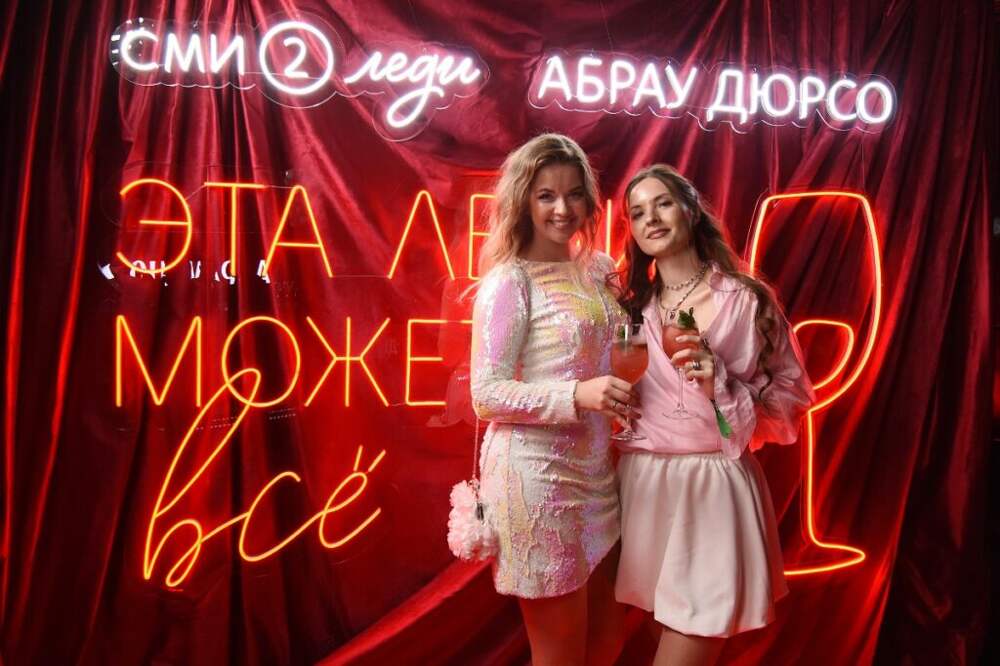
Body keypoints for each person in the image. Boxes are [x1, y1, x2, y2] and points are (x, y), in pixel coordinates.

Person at [613, 164, 816, 666]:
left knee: (692, 634)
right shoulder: (632, 310)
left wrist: (720, 384)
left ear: (691, 210)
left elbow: (790, 400)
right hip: (643, 484)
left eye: (662, 203)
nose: (650, 218)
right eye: (637, 212)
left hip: (712, 488)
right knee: (661, 629)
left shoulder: (745, 301)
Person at [470, 133, 635, 665]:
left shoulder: (598, 269)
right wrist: (576, 395)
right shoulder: (509, 281)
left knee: (607, 643)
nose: (562, 209)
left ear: (589, 200)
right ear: (524, 200)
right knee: (560, 655)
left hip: (598, 476)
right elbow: (485, 394)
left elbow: (622, 351)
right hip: (537, 480)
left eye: (573, 194)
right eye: (546, 195)